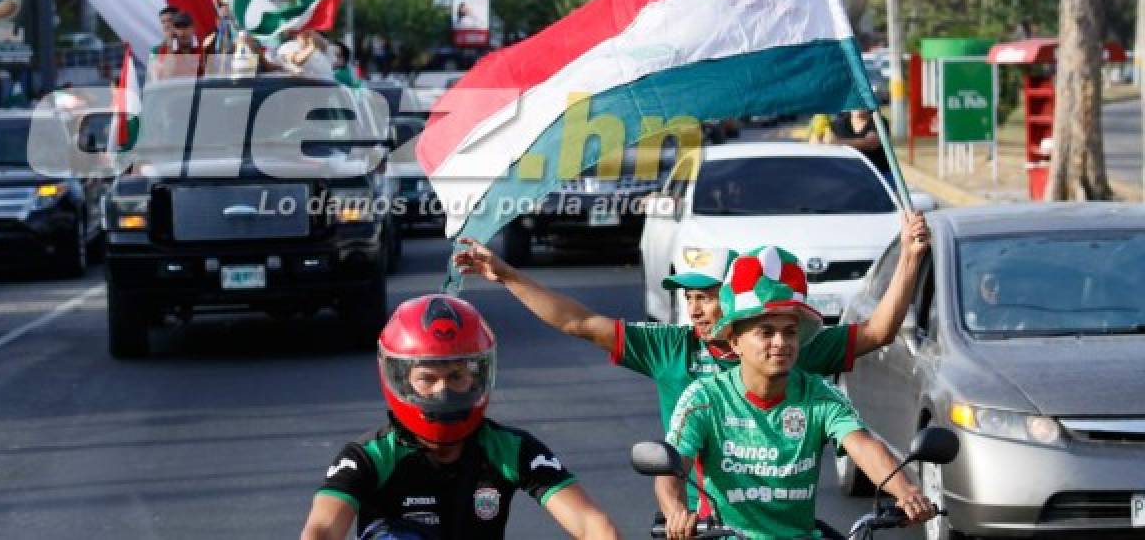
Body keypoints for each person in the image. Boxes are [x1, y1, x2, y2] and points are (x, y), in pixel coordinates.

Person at [453, 212, 930, 516]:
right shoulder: (676, 353)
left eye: (708, 297)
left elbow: (877, 335)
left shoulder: (794, 356)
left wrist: (910, 256)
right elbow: (581, 322)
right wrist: (510, 277)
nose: (696, 310)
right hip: (701, 524)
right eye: (689, 298)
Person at [659, 247, 935, 539]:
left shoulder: (818, 395)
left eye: (789, 332)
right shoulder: (703, 399)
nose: (781, 342)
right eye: (765, 332)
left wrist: (905, 491)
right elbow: (671, 470)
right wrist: (676, 511)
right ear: (735, 341)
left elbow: (863, 445)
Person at [300, 294, 621, 540]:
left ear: (479, 376)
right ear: (399, 379)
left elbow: (592, 524)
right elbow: (321, 531)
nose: (444, 391)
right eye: (428, 379)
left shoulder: (509, 448)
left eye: (456, 376)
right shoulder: (369, 456)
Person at [829, 109, 891, 179]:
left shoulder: (879, 121)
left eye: (860, 102)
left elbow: (871, 144)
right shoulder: (838, 123)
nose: (858, 107)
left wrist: (837, 142)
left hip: (878, 175)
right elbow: (826, 143)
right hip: (847, 175)